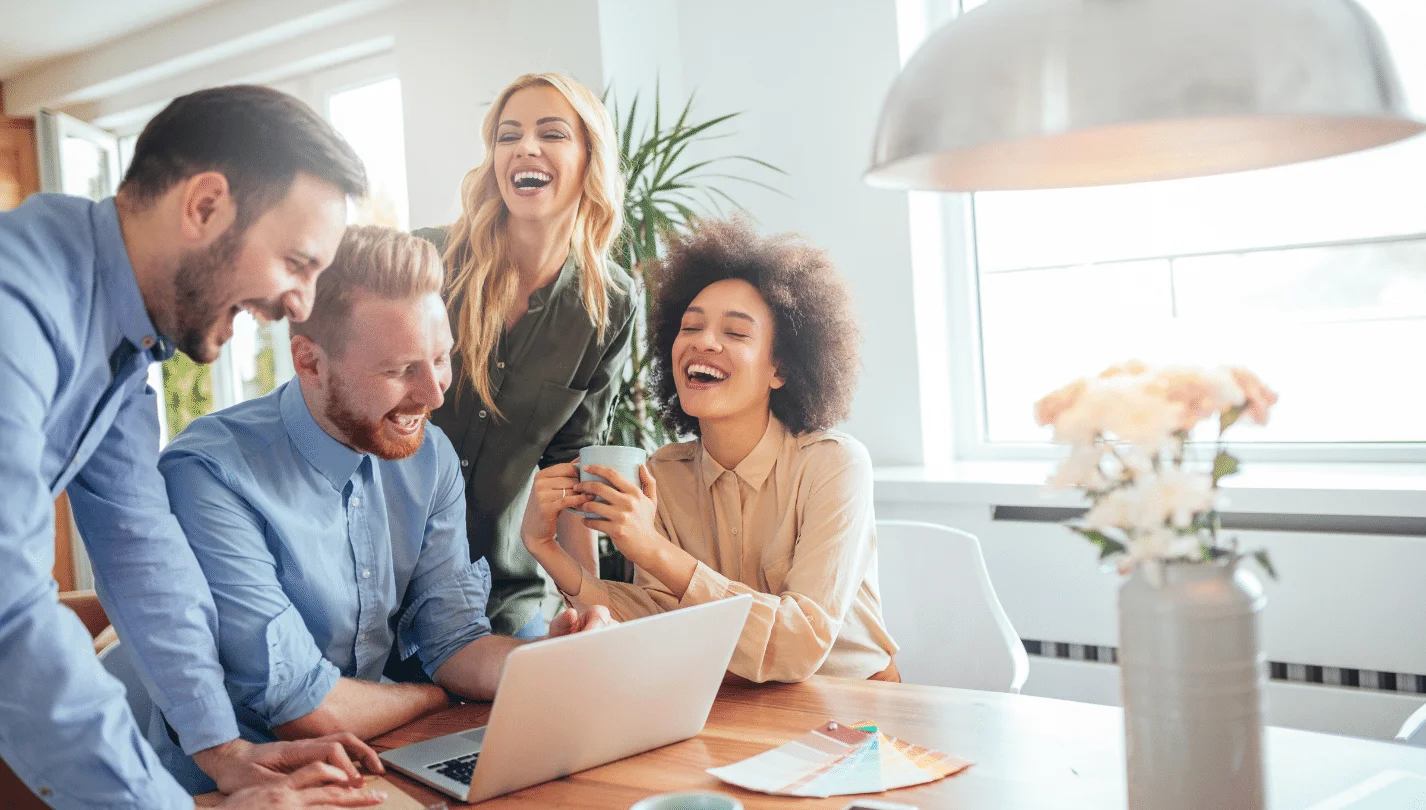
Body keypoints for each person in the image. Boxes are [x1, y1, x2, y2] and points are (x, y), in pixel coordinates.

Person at [0, 85, 389, 809]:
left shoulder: (120, 341)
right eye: (298, 263)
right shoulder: (16, 305)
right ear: (204, 205)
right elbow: (9, 611)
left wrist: (224, 751)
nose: (302, 306)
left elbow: (141, 547)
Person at [154, 226, 615, 792]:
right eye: (402, 371)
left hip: (371, 767)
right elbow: (305, 708)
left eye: (442, 359)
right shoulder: (210, 474)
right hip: (232, 791)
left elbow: (454, 642)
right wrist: (432, 694)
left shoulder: (428, 456)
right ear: (310, 362)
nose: (435, 395)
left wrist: (552, 660)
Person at [521, 218, 900, 683]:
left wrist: (653, 549)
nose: (703, 341)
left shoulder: (834, 465)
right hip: (731, 705)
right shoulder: (664, 473)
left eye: (736, 333)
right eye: (690, 327)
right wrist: (545, 548)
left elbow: (799, 646)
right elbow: (657, 621)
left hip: (852, 703)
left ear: (780, 368)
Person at [412, 72, 635, 638]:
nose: (525, 147)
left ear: (590, 159)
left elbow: (568, 466)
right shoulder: (425, 262)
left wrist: (583, 602)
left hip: (502, 603)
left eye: (552, 133)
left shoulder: (609, 304)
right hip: (386, 587)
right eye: (508, 135)